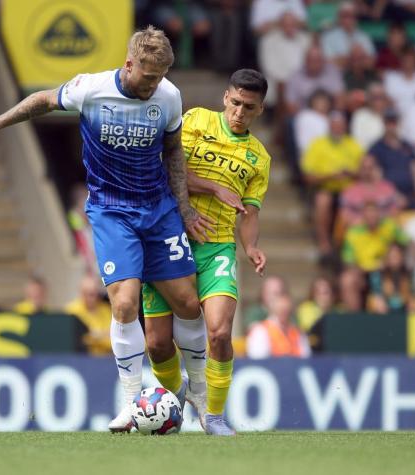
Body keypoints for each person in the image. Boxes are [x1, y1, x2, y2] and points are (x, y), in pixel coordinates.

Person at [0, 27, 211, 434]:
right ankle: (132, 402)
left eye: (160, 76)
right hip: (112, 212)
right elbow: (42, 101)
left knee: (186, 303)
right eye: (148, 76)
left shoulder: (168, 95)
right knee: (125, 304)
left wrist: (182, 207)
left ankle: (200, 396)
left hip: (159, 210)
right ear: (129, 64)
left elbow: (174, 151)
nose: (154, 85)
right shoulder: (91, 89)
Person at [141, 69, 270, 436]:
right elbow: (167, 167)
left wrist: (251, 246)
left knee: (219, 333)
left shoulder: (259, 158)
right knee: (157, 342)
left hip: (216, 249)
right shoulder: (196, 119)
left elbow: (251, 212)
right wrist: (214, 187)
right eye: (235, 102)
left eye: (249, 107)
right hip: (170, 239)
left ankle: (213, 415)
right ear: (225, 96)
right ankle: (176, 396)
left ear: (260, 109)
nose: (239, 112)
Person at [301, 111, 363, 257]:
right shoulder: (317, 144)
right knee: (323, 200)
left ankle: (347, 244)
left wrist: (350, 174)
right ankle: (324, 243)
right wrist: (331, 176)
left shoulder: (354, 145)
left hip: (349, 190)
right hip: (325, 187)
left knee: (354, 201)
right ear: (329, 126)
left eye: (340, 126)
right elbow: (308, 176)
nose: (337, 129)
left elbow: (364, 171)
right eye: (334, 126)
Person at [255, 11, 311, 107]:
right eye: (286, 24)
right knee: (277, 88)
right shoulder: (268, 40)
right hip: (277, 80)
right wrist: (286, 80)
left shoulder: (306, 39)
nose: (289, 28)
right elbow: (268, 66)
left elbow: (308, 63)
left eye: (292, 24)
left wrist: (295, 79)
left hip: (301, 78)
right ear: (280, 25)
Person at [369, 109, 415, 208]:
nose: (391, 125)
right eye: (388, 122)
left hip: (411, 195)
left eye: (394, 122)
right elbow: (376, 177)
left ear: (398, 124)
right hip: (387, 197)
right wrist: (393, 195)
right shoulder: (376, 148)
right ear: (384, 123)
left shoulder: (408, 146)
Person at [341, 201, 409, 274]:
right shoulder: (353, 233)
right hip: (362, 273)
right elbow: (348, 260)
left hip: (386, 270)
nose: (372, 216)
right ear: (363, 216)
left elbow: (407, 241)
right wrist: (364, 269)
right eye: (368, 214)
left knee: (395, 256)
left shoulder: (389, 226)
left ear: (379, 214)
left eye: (374, 213)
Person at [340, 153, 401, 227]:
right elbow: (344, 213)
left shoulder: (387, 187)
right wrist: (359, 223)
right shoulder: (349, 190)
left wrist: (382, 222)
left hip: (384, 229)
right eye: (364, 168)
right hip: (360, 231)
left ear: (377, 168)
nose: (367, 172)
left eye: (371, 168)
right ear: (359, 169)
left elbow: (396, 206)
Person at [284, 45, 345, 114]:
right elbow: (290, 106)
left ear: (323, 61)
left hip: (331, 113)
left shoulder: (333, 72)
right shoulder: (295, 76)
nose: (314, 64)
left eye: (317, 60)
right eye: (311, 60)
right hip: (304, 114)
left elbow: (340, 100)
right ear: (305, 61)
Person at [246, 294, 310, 359]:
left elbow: (305, 357)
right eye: (280, 310)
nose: (284, 314)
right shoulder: (260, 331)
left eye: (287, 310)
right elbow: (258, 360)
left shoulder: (297, 333)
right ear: (272, 310)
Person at [65, 276, 112, 356]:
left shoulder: (106, 310)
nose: (92, 298)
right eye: (89, 294)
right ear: (81, 293)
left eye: (95, 294)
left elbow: (113, 338)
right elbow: (72, 339)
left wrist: (93, 336)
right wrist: (101, 335)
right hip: (80, 358)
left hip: (106, 357)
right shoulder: (71, 310)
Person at [320, 2, 375, 68]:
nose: (349, 19)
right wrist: (355, 58)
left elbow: (371, 60)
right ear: (339, 18)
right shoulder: (328, 37)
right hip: (337, 75)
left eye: (352, 16)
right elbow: (328, 62)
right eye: (346, 16)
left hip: (360, 74)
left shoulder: (363, 36)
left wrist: (343, 59)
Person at [366, 243, 413, 314]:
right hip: (385, 309)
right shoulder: (378, 275)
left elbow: (411, 294)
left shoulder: (407, 275)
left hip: (403, 308)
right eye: (392, 256)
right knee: (376, 302)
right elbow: (376, 293)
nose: (395, 259)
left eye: (397, 255)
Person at [350, 83, 390, 150]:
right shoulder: (360, 115)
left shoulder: (391, 115)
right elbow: (357, 142)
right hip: (367, 155)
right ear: (369, 99)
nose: (378, 101)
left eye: (381, 97)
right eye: (375, 97)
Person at [293, 89, 331, 156]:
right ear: (312, 102)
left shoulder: (332, 118)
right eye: (319, 101)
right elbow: (303, 143)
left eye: (324, 101)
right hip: (311, 155)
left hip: (330, 154)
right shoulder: (305, 116)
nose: (322, 104)